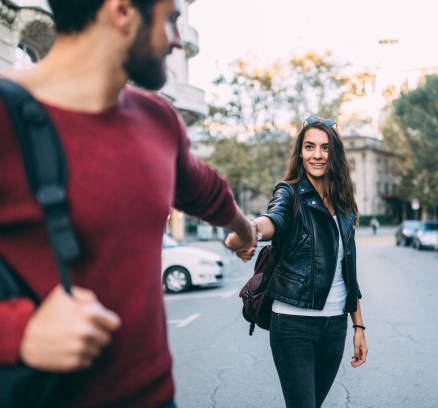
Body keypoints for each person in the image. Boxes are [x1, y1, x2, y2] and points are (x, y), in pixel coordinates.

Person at [0, 1, 256, 407]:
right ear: (122, 12)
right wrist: (18, 332)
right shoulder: (5, 114)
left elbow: (202, 188)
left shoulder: (157, 117)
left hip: (156, 396)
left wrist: (245, 230)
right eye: (171, 19)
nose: (176, 40)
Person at [225, 117, 368, 408]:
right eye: (309, 147)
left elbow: (348, 271)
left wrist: (359, 327)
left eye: (325, 147)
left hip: (335, 326)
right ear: (300, 153)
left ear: (335, 154)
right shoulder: (289, 193)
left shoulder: (344, 205)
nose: (317, 154)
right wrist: (249, 231)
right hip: (293, 325)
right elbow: (272, 220)